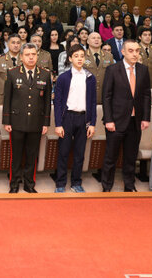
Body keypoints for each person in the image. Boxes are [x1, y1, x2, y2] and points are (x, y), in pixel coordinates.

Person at [101, 39, 152, 192]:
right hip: (116, 121)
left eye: (137, 51)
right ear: (123, 52)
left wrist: (145, 117)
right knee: (111, 156)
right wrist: (108, 119)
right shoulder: (112, 69)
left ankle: (129, 185)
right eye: (131, 51)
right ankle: (107, 186)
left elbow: (146, 96)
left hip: (135, 121)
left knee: (131, 156)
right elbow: (106, 96)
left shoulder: (143, 70)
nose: (135, 54)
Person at [2, 43, 52, 193]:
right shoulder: (12, 73)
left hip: (36, 123)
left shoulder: (44, 74)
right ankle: (14, 183)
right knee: (16, 156)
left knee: (32, 155)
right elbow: (7, 99)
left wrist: (46, 122)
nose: (31, 57)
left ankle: (30, 183)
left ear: (37, 56)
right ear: (21, 57)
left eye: (33, 54)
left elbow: (47, 100)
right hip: (16, 122)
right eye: (27, 55)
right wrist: (7, 120)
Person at [52, 44, 96, 193]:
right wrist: (58, 124)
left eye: (82, 56)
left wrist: (93, 123)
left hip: (83, 119)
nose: (79, 59)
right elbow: (57, 102)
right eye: (76, 56)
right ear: (70, 58)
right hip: (67, 118)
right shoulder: (63, 78)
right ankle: (60, 183)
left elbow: (93, 102)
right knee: (63, 152)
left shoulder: (90, 78)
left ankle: (76, 182)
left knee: (79, 153)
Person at [0, 34, 22, 105]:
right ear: (8, 44)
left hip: (21, 96)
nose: (16, 45)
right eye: (13, 43)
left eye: (18, 43)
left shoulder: (25, 59)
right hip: (2, 97)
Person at [83, 32, 114, 104]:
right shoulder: (82, 55)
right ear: (87, 41)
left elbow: (113, 75)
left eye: (98, 38)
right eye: (93, 38)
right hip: (86, 94)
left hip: (104, 95)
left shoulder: (109, 56)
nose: (96, 40)